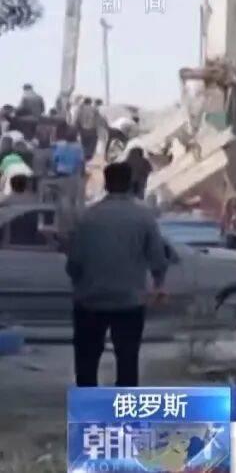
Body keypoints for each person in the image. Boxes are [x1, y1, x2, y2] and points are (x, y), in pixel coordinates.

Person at [65, 163, 168, 387]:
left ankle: (88, 403)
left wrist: (80, 283)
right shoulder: (143, 217)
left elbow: (74, 263)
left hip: (90, 299)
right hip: (129, 301)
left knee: (86, 360)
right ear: (131, 183)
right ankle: (123, 404)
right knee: (128, 359)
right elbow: (158, 259)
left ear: (106, 183)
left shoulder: (88, 217)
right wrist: (158, 284)